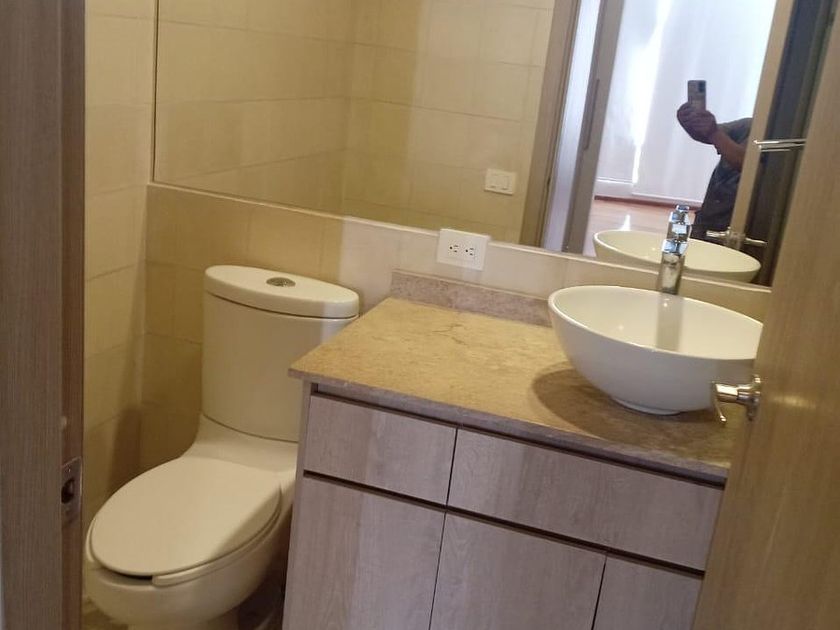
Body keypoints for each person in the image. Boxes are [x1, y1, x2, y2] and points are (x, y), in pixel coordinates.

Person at [676, 103, 752, 241]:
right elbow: (707, 134)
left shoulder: (775, 133)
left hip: (738, 223)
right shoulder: (748, 125)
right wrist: (690, 125)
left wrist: (713, 132)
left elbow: (748, 165)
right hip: (709, 216)